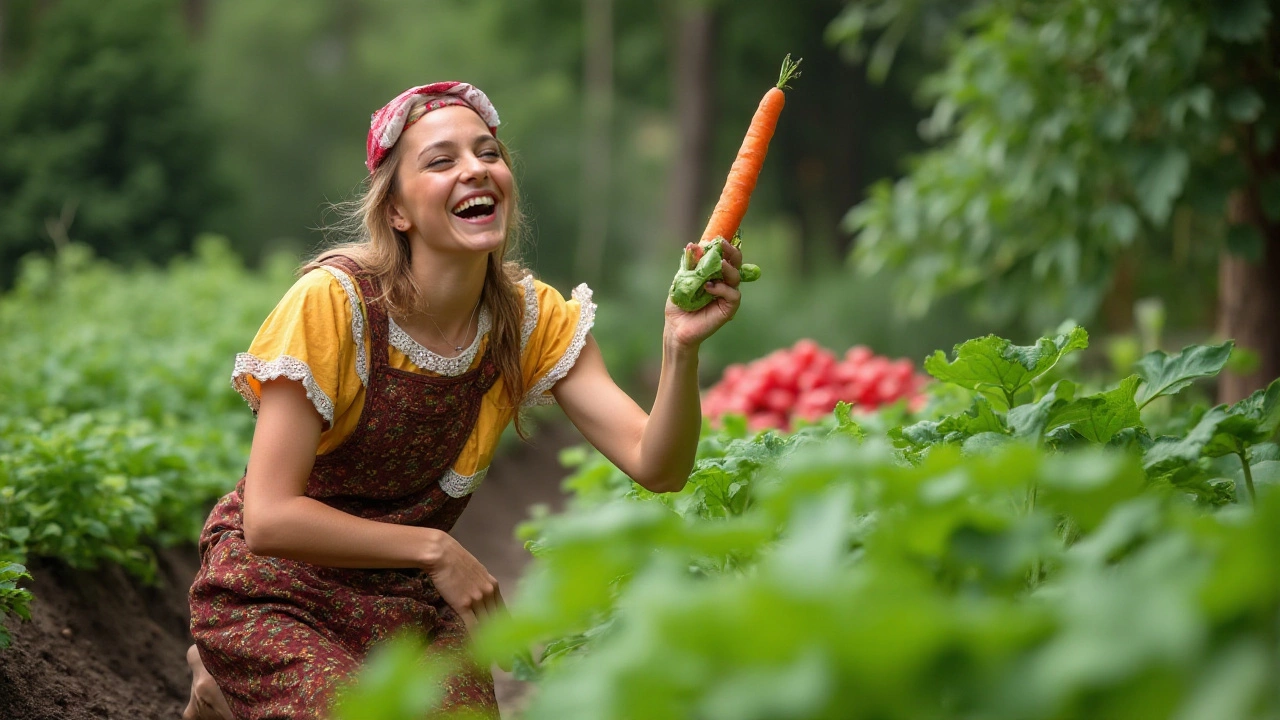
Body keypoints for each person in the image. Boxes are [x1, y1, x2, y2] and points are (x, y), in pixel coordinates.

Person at [183, 81, 744, 720]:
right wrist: (433, 549)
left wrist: (680, 346)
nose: (476, 169)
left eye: (488, 153)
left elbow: (659, 466)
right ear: (397, 211)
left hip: (405, 607)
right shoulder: (335, 305)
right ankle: (226, 681)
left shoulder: (531, 320)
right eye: (441, 160)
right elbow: (270, 520)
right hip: (278, 589)